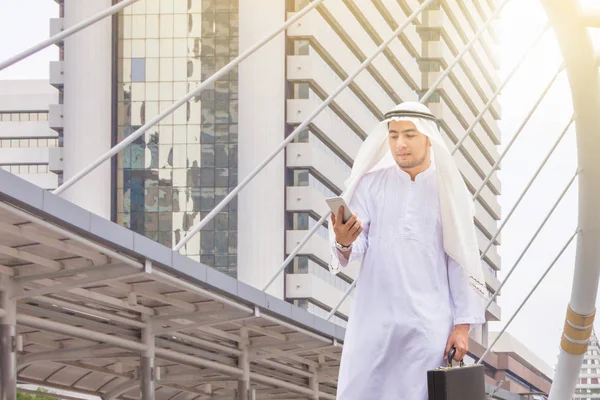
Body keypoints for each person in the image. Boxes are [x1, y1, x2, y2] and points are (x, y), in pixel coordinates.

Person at [329, 102, 486, 400]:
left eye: (410, 135)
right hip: (373, 325)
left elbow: (461, 262)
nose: (400, 144)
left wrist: (462, 328)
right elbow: (356, 245)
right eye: (393, 135)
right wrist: (343, 240)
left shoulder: (449, 192)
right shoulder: (370, 185)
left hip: (428, 329)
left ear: (428, 137)